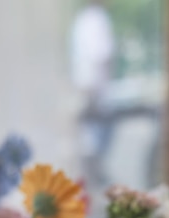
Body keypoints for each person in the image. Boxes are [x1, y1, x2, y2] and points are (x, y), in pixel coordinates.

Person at [69, 1, 115, 187]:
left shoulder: (83, 19)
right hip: (94, 87)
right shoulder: (97, 20)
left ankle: (90, 174)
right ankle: (92, 174)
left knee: (90, 134)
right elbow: (101, 55)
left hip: (85, 84)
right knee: (95, 136)